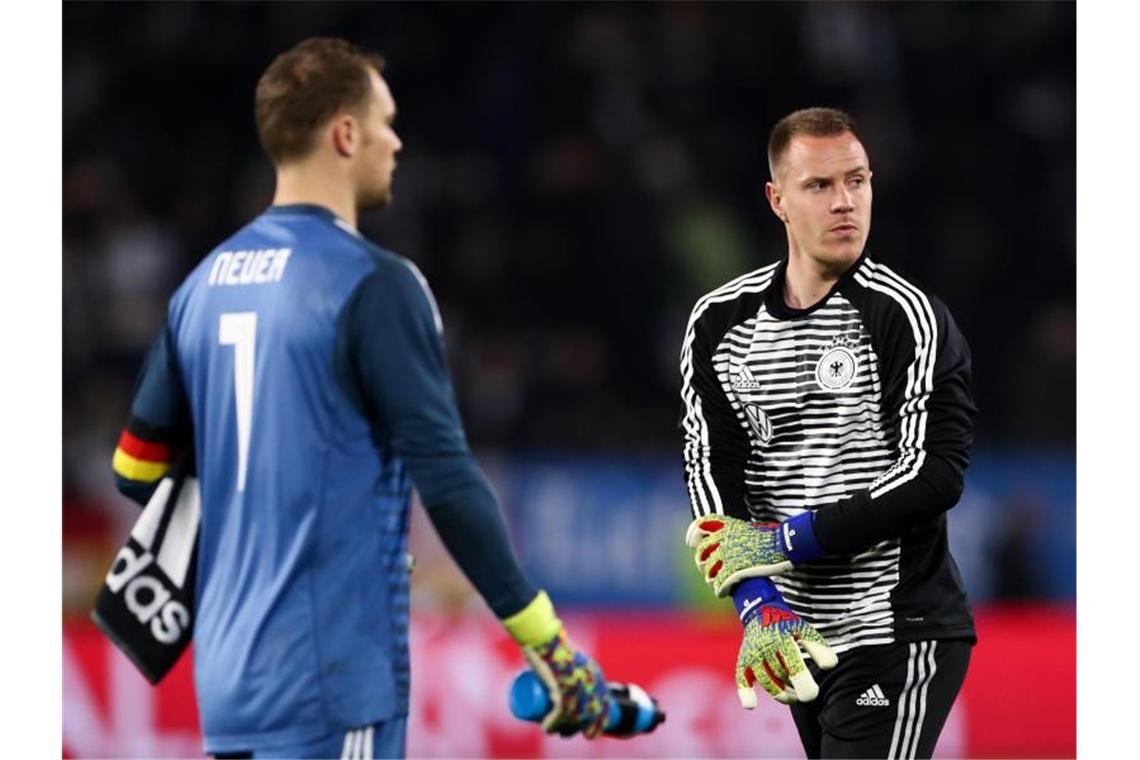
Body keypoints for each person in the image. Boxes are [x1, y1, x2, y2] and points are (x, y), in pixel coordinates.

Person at [110, 37, 610, 759]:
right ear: (345, 133)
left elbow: (135, 471)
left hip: (226, 686)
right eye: (386, 120)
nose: (397, 142)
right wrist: (545, 638)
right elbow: (446, 476)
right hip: (335, 681)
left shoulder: (200, 287)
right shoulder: (373, 283)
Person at [679, 107, 977, 759]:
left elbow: (934, 475)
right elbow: (710, 469)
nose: (845, 202)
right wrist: (757, 601)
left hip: (898, 628)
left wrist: (788, 539)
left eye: (858, 181)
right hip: (795, 637)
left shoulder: (907, 317)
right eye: (820, 186)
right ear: (777, 199)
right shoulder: (719, 324)